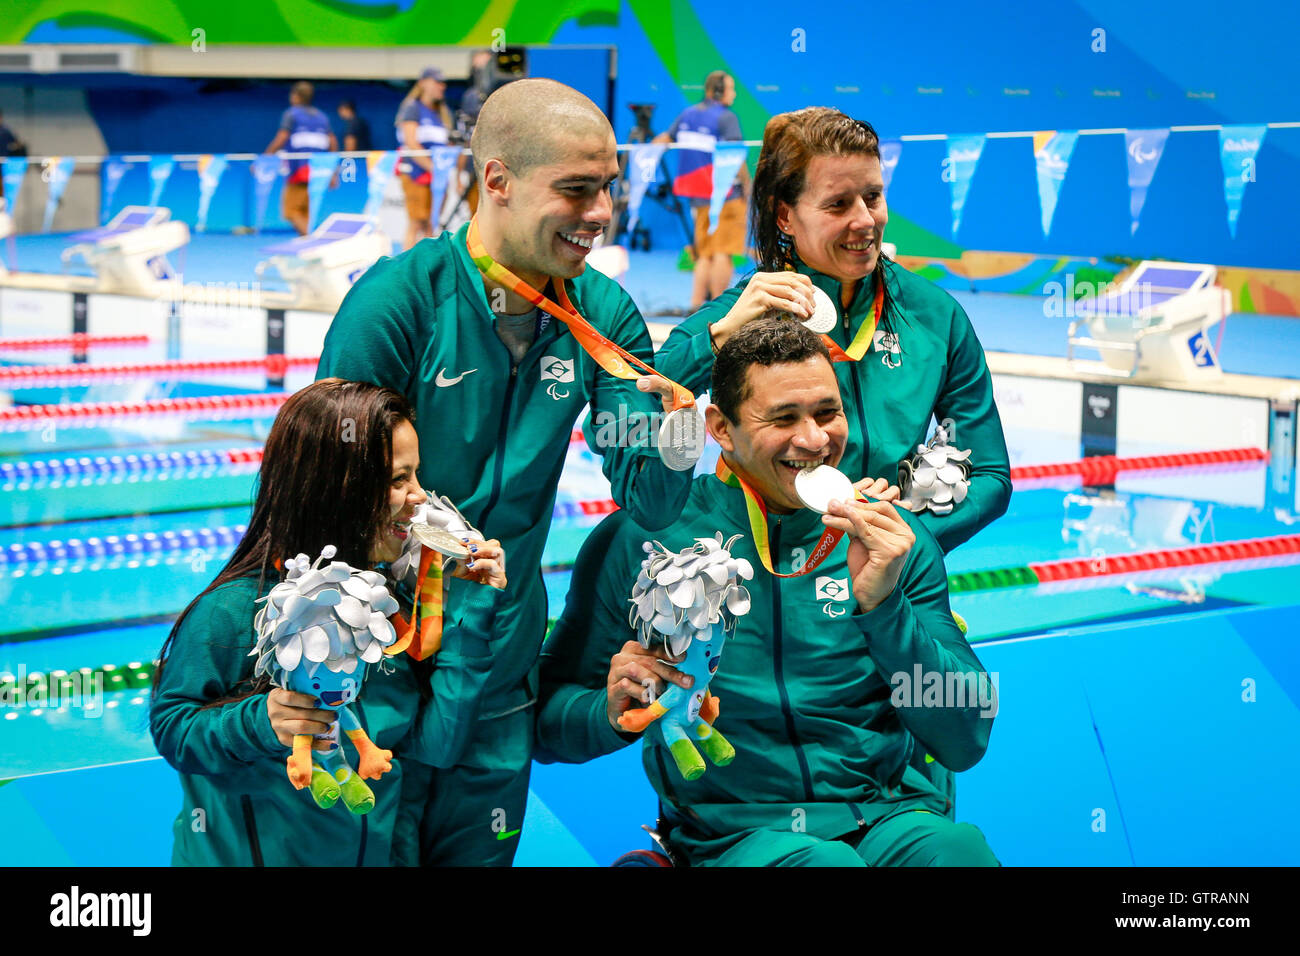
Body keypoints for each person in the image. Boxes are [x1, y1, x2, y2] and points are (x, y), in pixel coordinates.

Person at [315, 78, 696, 866]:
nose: (601, 212)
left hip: (498, 662)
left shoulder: (601, 313)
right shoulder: (397, 305)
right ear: (497, 181)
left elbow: (653, 502)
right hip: (380, 674)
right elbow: (331, 509)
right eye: (577, 189)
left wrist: (684, 401)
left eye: (609, 188)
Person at [537, 317, 1000, 866]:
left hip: (883, 815)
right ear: (721, 428)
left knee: (958, 852)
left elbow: (965, 739)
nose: (814, 439)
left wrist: (884, 607)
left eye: (827, 413)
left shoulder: (892, 540)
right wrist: (609, 710)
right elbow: (546, 723)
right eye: (783, 418)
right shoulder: (644, 539)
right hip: (730, 836)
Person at [150, 379, 505, 866]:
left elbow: (437, 745)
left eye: (416, 475)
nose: (420, 498)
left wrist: (472, 604)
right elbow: (174, 728)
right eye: (398, 480)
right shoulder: (235, 611)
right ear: (338, 489)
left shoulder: (383, 610)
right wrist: (259, 722)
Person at [657, 106, 1010, 557]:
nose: (864, 220)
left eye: (873, 197)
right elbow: (632, 406)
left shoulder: (934, 316)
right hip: (763, 569)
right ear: (785, 217)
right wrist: (720, 338)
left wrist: (899, 536)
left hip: (884, 569)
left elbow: (990, 475)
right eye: (838, 204)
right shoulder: (747, 310)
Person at [655, 71, 750, 310]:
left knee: (705, 253)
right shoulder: (727, 118)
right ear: (718, 91)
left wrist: (643, 152)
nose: (734, 94)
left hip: (698, 198)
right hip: (726, 197)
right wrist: (748, 187)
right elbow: (735, 157)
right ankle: (718, 309)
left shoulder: (688, 114)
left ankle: (696, 305)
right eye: (731, 89)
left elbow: (664, 138)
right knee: (723, 252)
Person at [263, 81, 337, 236]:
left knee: (291, 211)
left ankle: (313, 241)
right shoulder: (322, 117)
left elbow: (282, 137)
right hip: (319, 171)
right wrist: (333, 171)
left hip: (299, 171)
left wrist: (265, 157)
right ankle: (309, 245)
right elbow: (332, 141)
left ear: (295, 96)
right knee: (305, 212)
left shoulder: (291, 114)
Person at [395, 67, 455, 249]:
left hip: (437, 177)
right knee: (416, 222)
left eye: (443, 83)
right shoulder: (412, 108)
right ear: (423, 83)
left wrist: (442, 171)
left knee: (431, 223)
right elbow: (411, 143)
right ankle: (408, 264)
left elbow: (448, 146)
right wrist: (434, 168)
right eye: (437, 82)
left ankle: (428, 263)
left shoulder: (442, 113)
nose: (441, 86)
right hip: (416, 173)